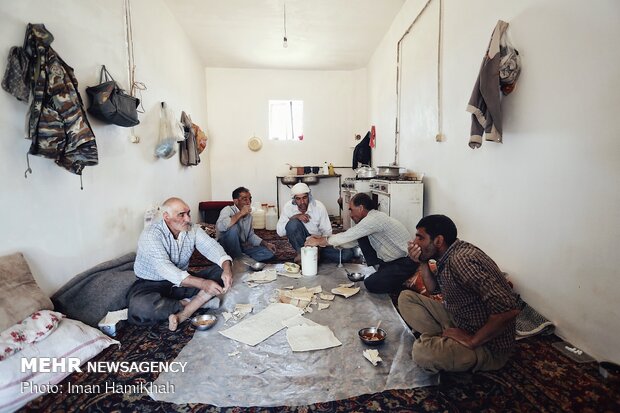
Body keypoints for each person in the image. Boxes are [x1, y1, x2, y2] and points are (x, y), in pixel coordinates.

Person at [398, 214, 519, 373]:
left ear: (439, 241)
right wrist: (422, 261)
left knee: (421, 353)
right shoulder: (447, 255)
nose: (414, 243)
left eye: (420, 238)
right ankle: (448, 338)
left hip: (487, 345)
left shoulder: (461, 260)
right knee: (406, 298)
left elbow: (509, 309)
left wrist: (472, 341)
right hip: (460, 319)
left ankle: (448, 343)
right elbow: (433, 290)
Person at [128, 197, 234, 332]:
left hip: (182, 281)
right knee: (140, 307)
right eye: (181, 215)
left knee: (221, 272)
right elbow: (165, 268)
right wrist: (202, 284)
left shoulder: (192, 229)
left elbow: (211, 247)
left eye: (188, 213)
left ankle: (185, 309)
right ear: (166, 217)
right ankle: (193, 303)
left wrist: (226, 267)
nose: (188, 219)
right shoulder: (150, 235)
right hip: (151, 284)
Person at [305, 192, 417, 294]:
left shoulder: (373, 220)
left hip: (404, 263)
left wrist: (320, 241)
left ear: (361, 208)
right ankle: (382, 272)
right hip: (389, 262)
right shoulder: (369, 221)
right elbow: (350, 240)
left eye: (351, 210)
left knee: (371, 283)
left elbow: (347, 236)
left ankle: (402, 284)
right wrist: (323, 240)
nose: (350, 214)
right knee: (359, 237)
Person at [276, 182, 352, 264]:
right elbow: (280, 232)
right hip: (301, 244)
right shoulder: (288, 207)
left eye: (304, 197)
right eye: (298, 199)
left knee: (346, 254)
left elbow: (327, 232)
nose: (302, 202)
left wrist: (318, 241)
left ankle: (312, 255)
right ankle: (303, 254)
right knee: (292, 224)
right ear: (294, 199)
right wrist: (294, 217)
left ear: (309, 196)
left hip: (318, 243)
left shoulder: (319, 207)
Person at [216, 187, 276, 262]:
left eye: (250, 199)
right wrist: (241, 213)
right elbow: (221, 227)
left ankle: (240, 261)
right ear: (236, 201)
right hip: (225, 249)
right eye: (245, 199)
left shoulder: (249, 216)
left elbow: (250, 236)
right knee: (233, 227)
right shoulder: (227, 210)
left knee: (269, 253)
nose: (248, 202)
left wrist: (266, 244)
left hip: (240, 249)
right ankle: (239, 260)